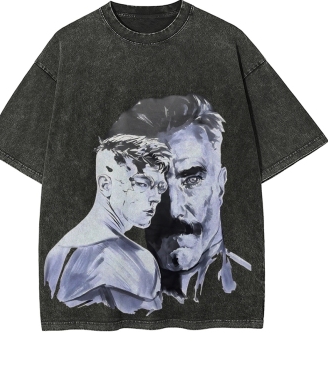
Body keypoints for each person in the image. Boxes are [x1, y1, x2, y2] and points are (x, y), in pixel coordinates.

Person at [108, 94, 252, 303]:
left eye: (192, 180)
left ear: (220, 186)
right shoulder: (103, 294)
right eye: (151, 184)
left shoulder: (252, 287)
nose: (174, 209)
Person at [44, 134, 171, 314]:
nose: (156, 198)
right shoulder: (140, 262)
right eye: (143, 183)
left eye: (160, 187)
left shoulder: (56, 253)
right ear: (105, 185)